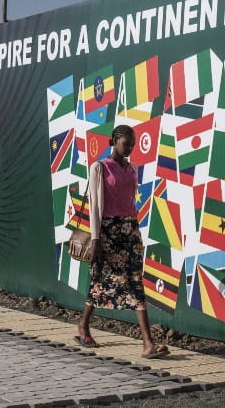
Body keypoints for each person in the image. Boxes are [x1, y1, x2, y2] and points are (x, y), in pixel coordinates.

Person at [75, 124, 170, 359]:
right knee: (101, 279)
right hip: (108, 231)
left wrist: (134, 230)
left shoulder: (133, 168)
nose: (130, 148)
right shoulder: (100, 168)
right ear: (115, 141)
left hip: (130, 230)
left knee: (135, 281)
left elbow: (130, 201)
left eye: (133, 144)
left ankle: (147, 344)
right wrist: (96, 239)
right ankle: (84, 326)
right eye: (126, 143)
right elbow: (97, 206)